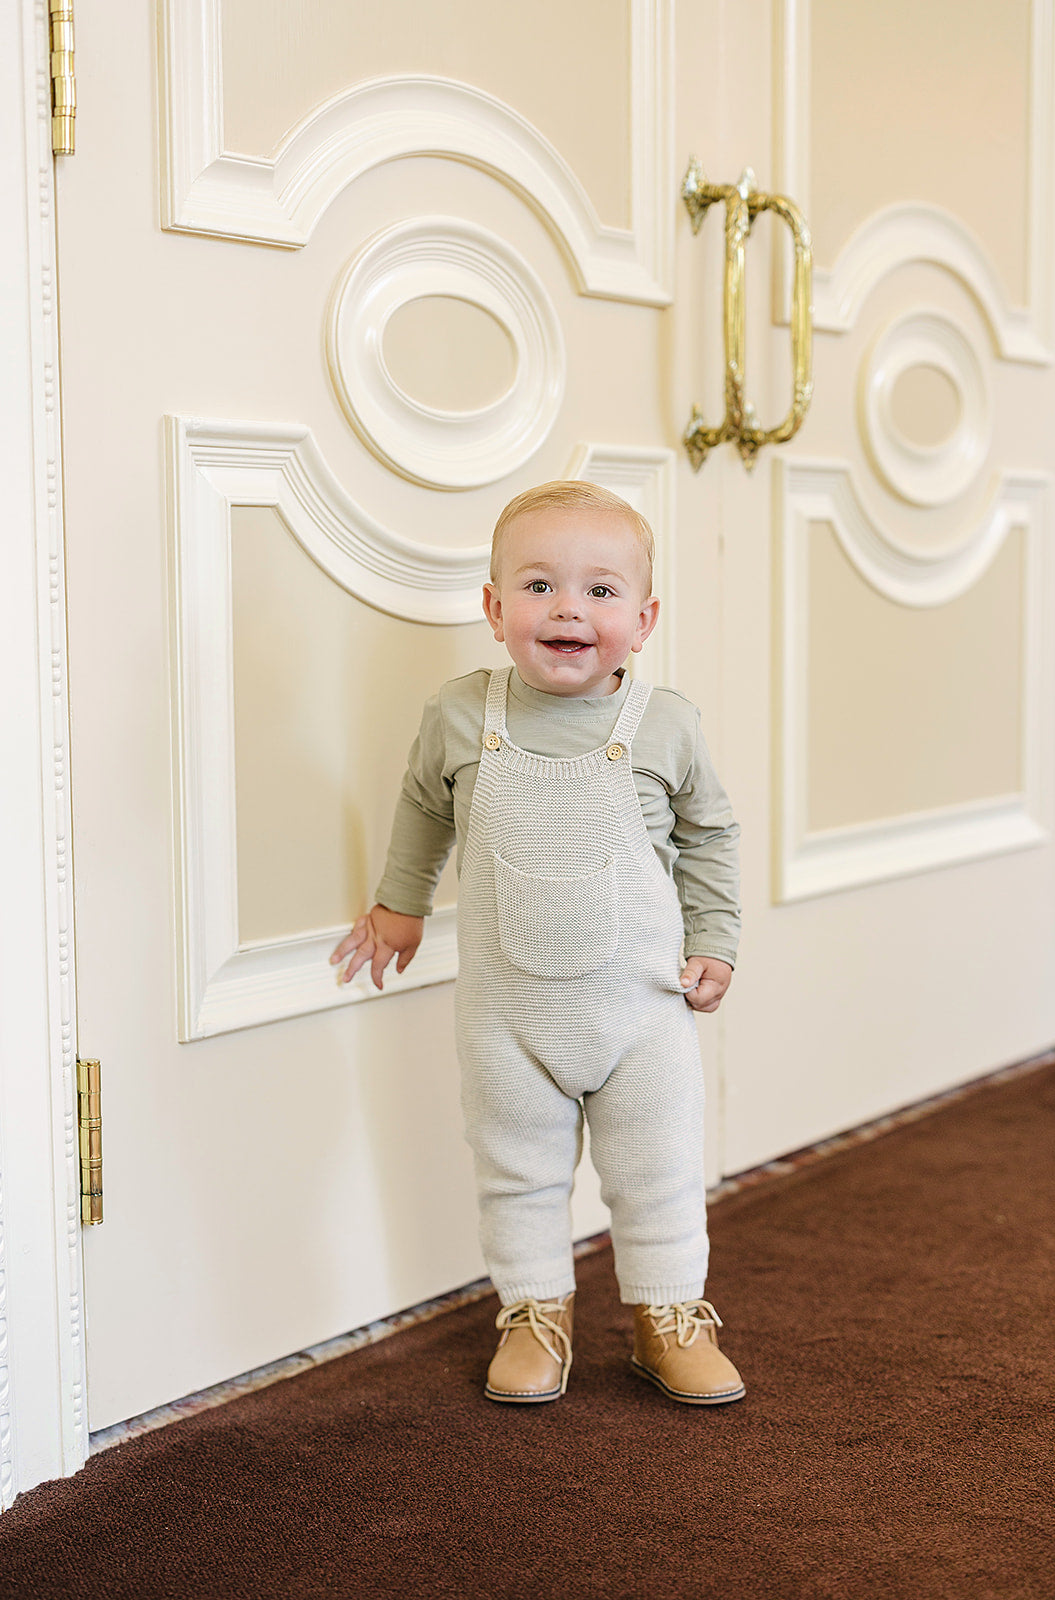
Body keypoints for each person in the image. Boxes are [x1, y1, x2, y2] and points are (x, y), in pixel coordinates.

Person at [331, 480, 744, 1407]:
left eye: (600, 591)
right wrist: (399, 904)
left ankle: (669, 1316)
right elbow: (422, 809)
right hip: (507, 1020)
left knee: (658, 1174)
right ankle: (533, 1313)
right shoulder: (460, 715)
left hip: (641, 1015)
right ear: (493, 608)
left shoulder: (665, 723)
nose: (567, 608)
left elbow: (710, 836)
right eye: (538, 585)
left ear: (642, 620)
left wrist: (715, 939)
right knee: (516, 1173)